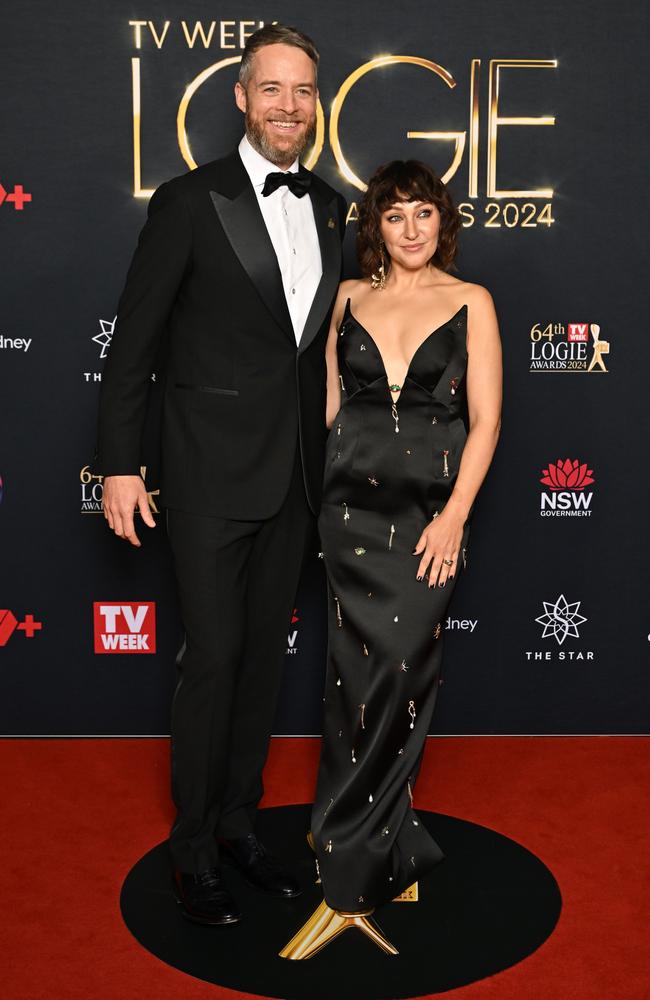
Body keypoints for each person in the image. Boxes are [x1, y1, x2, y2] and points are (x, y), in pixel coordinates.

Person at [95, 24, 346, 926]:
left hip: (295, 479)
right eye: (272, 88)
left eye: (304, 90)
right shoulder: (188, 201)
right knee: (215, 659)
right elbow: (135, 345)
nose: (289, 105)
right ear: (241, 97)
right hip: (203, 475)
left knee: (258, 674)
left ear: (318, 103)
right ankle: (192, 847)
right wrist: (120, 464)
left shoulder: (329, 206)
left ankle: (241, 825)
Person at [281, 160, 502, 959]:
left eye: (424, 215)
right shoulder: (346, 299)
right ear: (374, 225)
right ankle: (372, 848)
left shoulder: (472, 303)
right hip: (349, 516)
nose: (411, 230)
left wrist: (452, 519)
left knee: (401, 676)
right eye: (395, 216)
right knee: (350, 678)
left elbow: (483, 425)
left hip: (425, 523)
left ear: (444, 223)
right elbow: (331, 409)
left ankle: (355, 852)